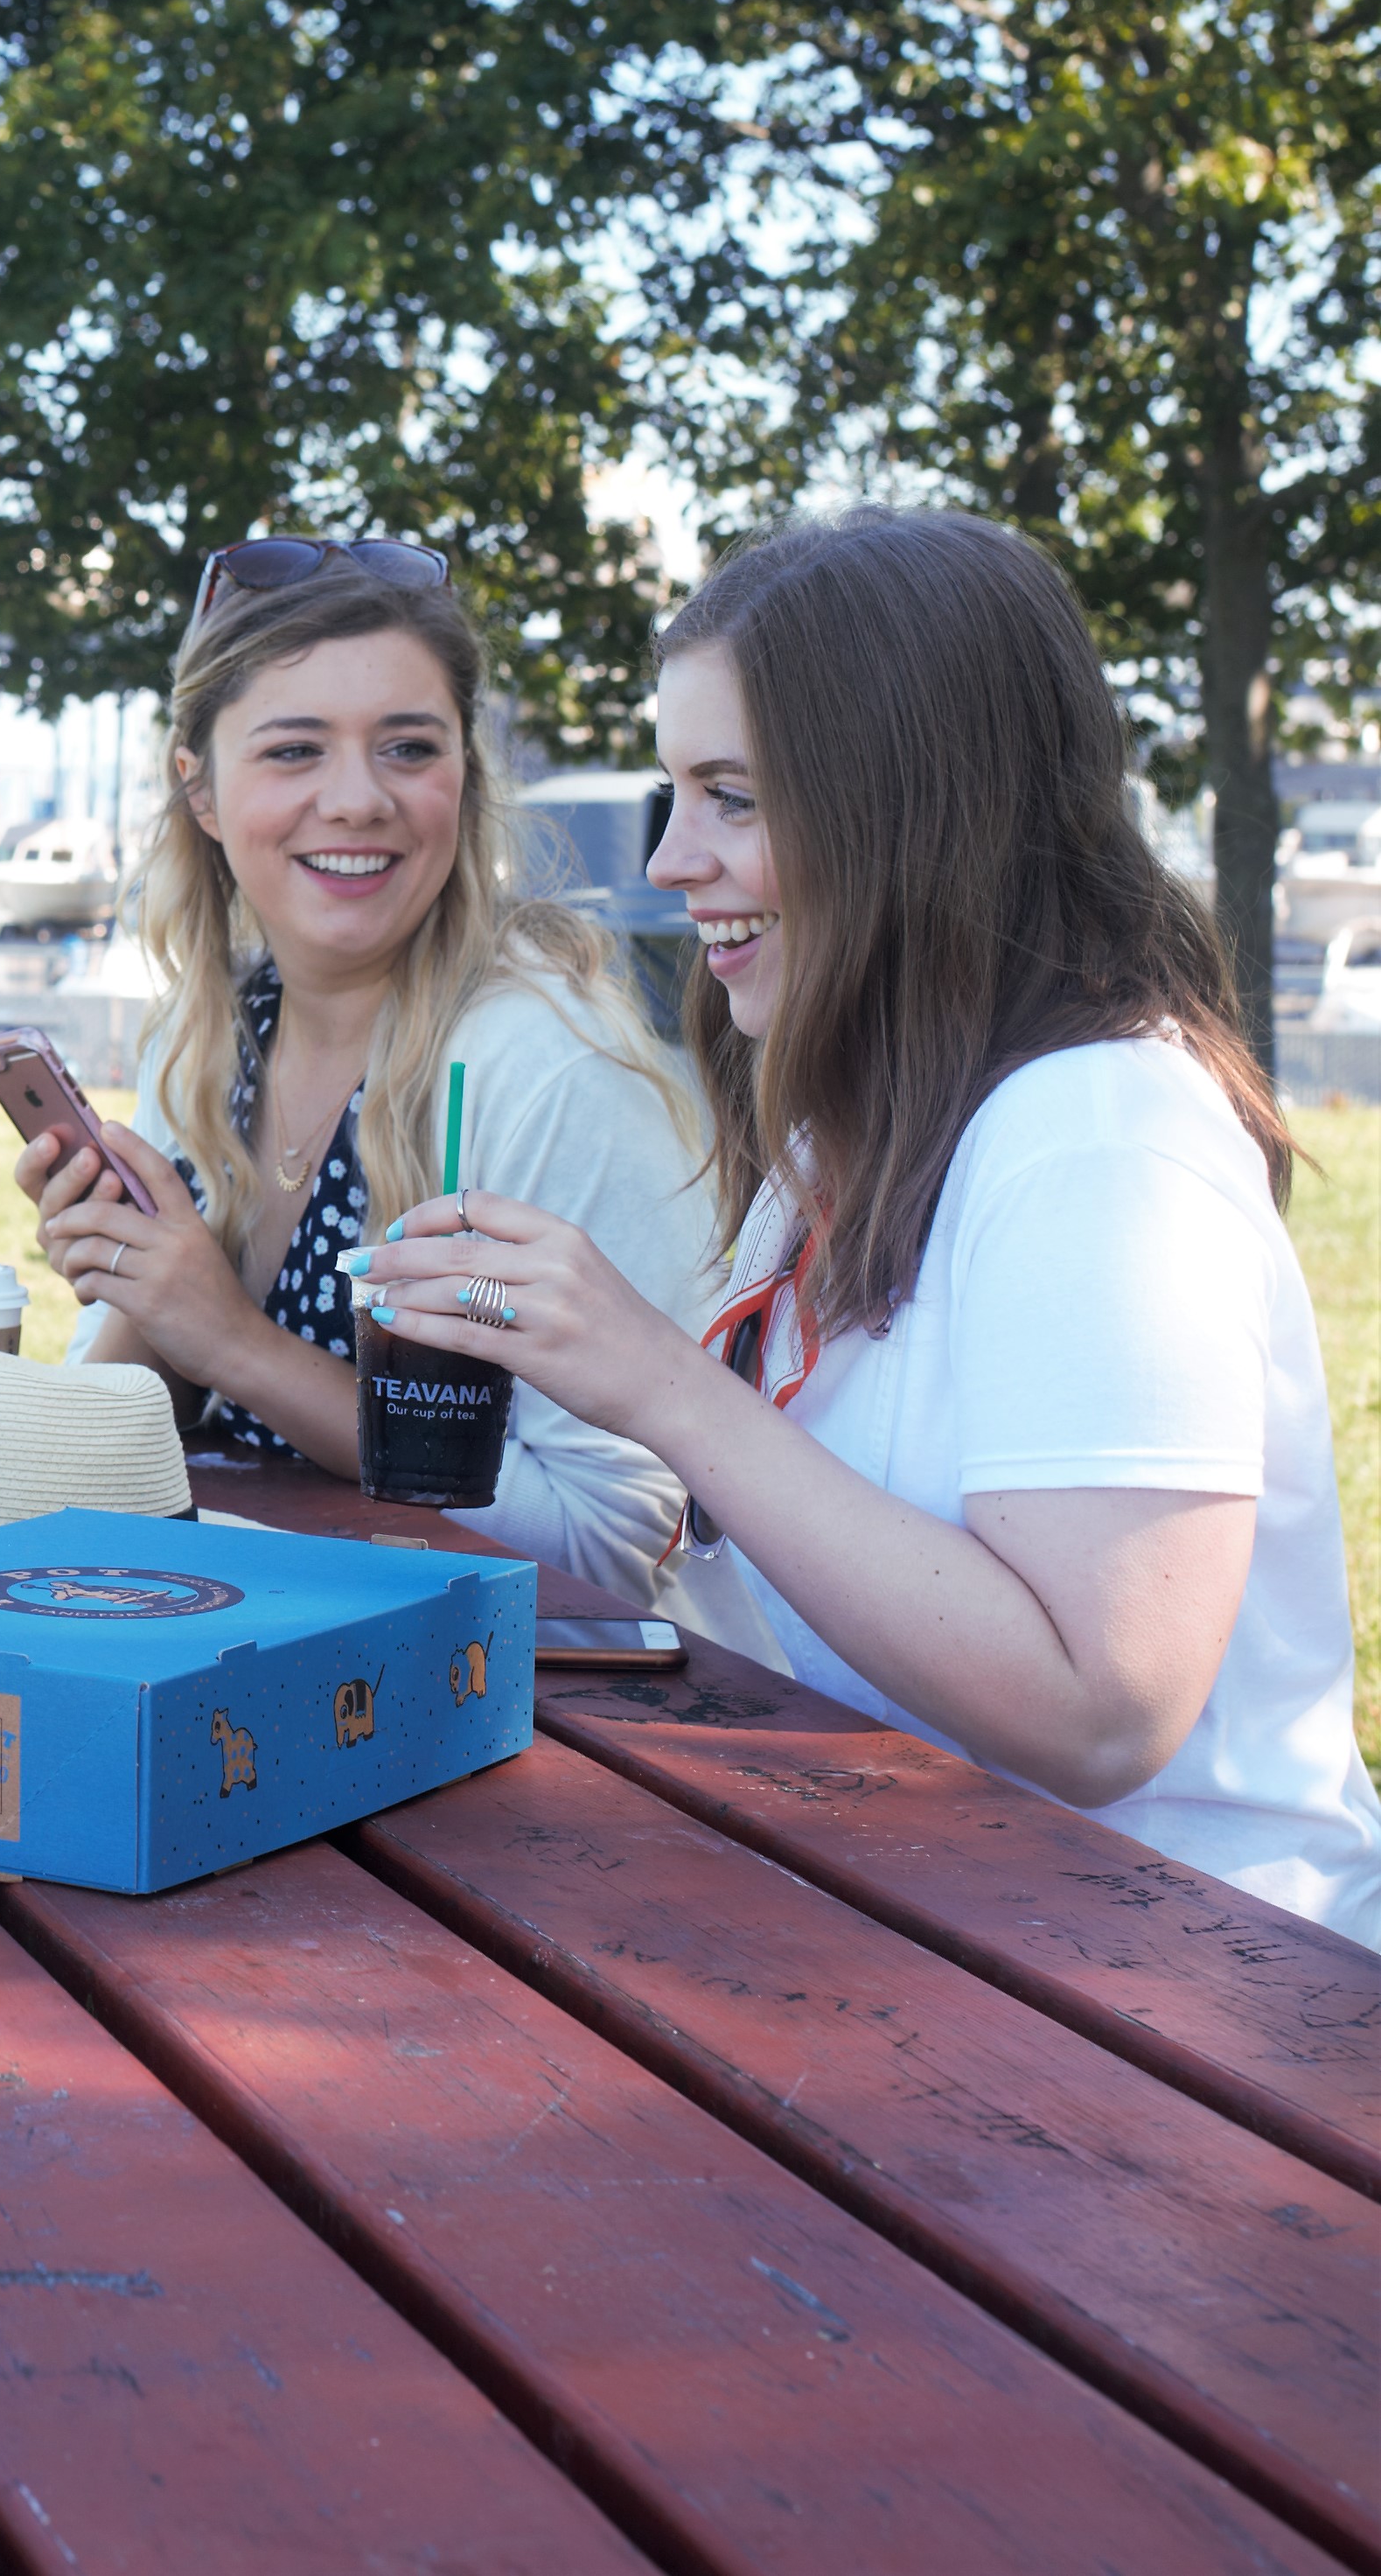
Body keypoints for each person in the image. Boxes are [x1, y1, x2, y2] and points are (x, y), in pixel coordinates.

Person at [349, 509, 1381, 1945]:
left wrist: (662, 1384)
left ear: (906, 807)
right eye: (673, 791)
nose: (667, 860)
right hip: (936, 1924)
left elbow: (1103, 1709)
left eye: (730, 796)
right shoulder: (853, 1123)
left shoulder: (1096, 1133)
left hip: (1194, 1994)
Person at [24, 534, 776, 1651]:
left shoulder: (541, 1067)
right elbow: (133, 1456)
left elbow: (619, 1547)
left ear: (462, 778)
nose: (358, 799)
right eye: (293, 751)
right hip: (268, 1661)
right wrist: (145, 1295)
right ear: (203, 789)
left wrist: (233, 1342)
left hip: (548, 1733)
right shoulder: (212, 1036)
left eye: (407, 748)